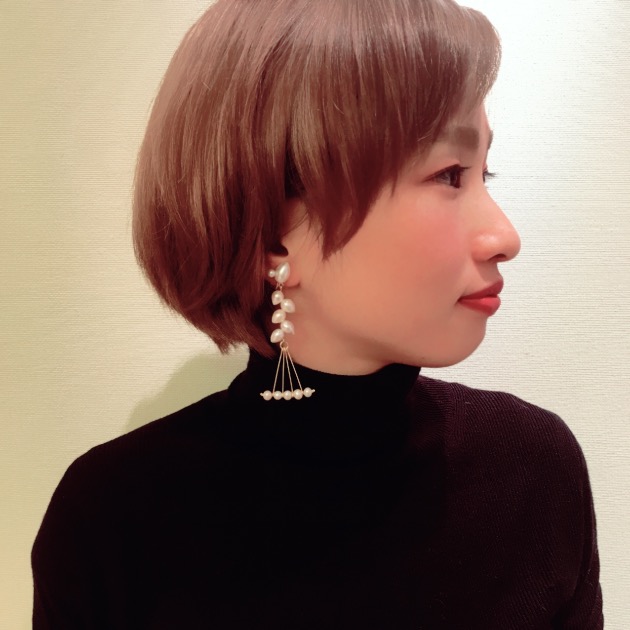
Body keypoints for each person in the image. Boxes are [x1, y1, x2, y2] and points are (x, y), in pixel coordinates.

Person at [31, 0, 604, 628]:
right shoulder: (113, 523)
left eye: (484, 172)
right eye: (449, 175)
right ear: (276, 238)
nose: (504, 236)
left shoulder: (532, 470)